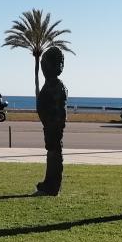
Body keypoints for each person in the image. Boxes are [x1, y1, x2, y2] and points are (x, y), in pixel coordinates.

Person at [35, 49, 67, 195]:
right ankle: (49, 182)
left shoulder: (57, 86)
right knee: (51, 152)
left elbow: (60, 110)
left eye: (45, 65)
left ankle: (53, 185)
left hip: (53, 127)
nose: (43, 69)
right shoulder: (50, 85)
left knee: (54, 152)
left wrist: (55, 124)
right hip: (49, 125)